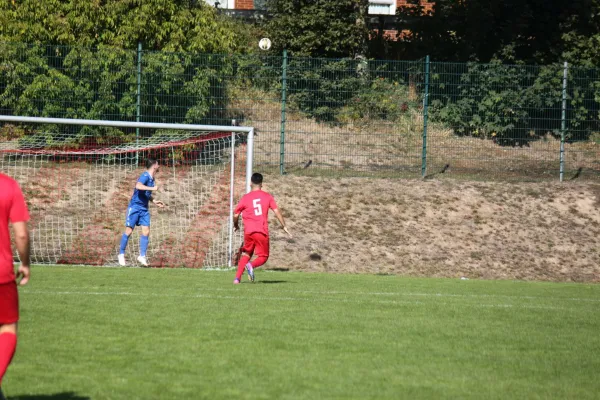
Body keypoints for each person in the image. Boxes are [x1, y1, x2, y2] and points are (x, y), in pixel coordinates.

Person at [0, 173, 31, 400]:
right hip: (1, 273)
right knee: (7, 329)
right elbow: (21, 234)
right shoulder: (8, 186)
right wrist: (26, 263)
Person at [233, 173, 292, 284]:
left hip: (249, 232)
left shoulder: (245, 198)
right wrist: (284, 225)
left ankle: (237, 279)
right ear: (261, 184)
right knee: (263, 256)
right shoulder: (267, 196)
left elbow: (236, 214)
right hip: (261, 231)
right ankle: (251, 265)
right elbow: (276, 211)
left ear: (250, 183)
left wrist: (236, 225)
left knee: (246, 254)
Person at [118, 158, 165, 267]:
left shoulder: (152, 178)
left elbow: (144, 193)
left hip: (144, 208)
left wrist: (154, 201)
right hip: (135, 207)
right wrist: (153, 188)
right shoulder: (145, 176)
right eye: (157, 163)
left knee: (146, 231)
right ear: (154, 165)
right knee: (129, 231)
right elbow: (138, 186)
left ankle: (142, 256)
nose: (159, 165)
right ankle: (121, 254)